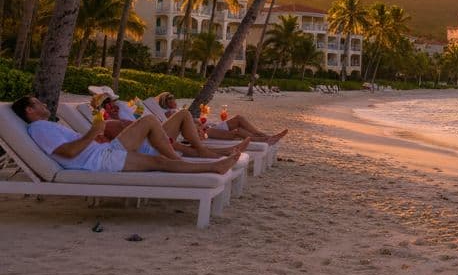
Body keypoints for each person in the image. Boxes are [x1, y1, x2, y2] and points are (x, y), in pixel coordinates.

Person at [15, 96, 239, 175]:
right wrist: (94, 131)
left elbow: (74, 146)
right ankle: (206, 164)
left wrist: (97, 135)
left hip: (103, 152)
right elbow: (70, 151)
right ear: (29, 111)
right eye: (37, 103)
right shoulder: (39, 129)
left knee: (151, 123)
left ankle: (188, 160)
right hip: (100, 161)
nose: (43, 104)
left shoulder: (47, 126)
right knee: (161, 161)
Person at [90, 92, 248, 159]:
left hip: (151, 138)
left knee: (184, 143)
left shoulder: (120, 114)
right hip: (148, 144)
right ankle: (207, 151)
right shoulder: (103, 122)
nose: (113, 105)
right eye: (108, 104)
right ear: (102, 108)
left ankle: (221, 151)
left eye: (112, 102)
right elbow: (126, 134)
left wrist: (123, 112)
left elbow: (138, 115)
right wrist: (114, 117)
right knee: (184, 116)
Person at [155, 92, 287, 144]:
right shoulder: (170, 113)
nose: (174, 100)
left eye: (173, 98)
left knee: (239, 121)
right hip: (205, 132)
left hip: (207, 127)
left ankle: (265, 137)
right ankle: (265, 139)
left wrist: (199, 121)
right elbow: (186, 126)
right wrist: (198, 123)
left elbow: (193, 122)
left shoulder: (177, 111)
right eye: (170, 99)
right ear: (165, 103)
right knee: (237, 130)